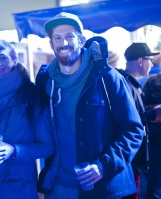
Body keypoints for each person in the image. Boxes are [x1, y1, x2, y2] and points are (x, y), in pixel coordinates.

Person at [35, 12, 144, 199]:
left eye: (70, 36)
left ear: (81, 40)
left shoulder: (107, 78)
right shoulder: (47, 81)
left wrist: (103, 165)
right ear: (51, 44)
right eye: (57, 38)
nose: (64, 43)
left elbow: (133, 131)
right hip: (59, 187)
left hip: (102, 187)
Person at [0, 39, 55, 199]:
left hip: (18, 189)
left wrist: (14, 151)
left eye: (3, 57)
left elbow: (48, 146)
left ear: (14, 59)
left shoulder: (33, 97)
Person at [118, 42, 160, 199]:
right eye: (150, 59)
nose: (153, 63)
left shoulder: (131, 84)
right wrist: (153, 114)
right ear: (141, 61)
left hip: (133, 158)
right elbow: (127, 121)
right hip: (131, 159)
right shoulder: (126, 85)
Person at [142, 73, 161, 199]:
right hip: (157, 143)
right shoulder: (153, 81)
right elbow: (139, 110)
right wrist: (155, 111)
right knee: (155, 187)